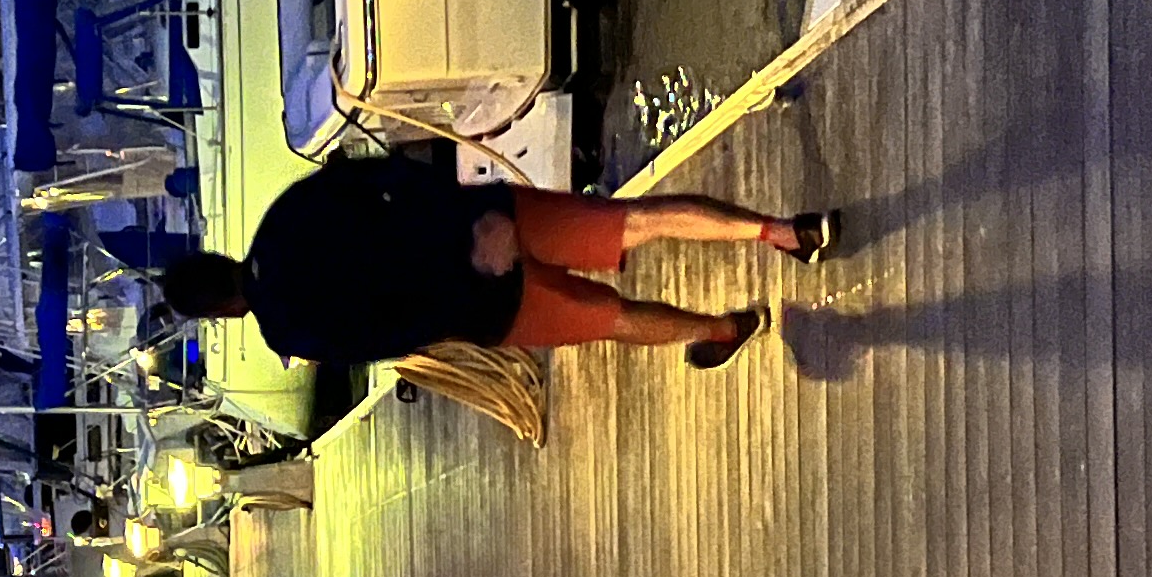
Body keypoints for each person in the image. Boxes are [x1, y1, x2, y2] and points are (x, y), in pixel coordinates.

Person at [154, 147, 837, 370]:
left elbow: (391, 337)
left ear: (220, 311)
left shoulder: (289, 330)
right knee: (636, 222)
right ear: (217, 254)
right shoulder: (284, 217)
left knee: (613, 318)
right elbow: (385, 174)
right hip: (491, 220)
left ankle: (719, 331)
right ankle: (783, 232)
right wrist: (468, 218)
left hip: (484, 305)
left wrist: (462, 290)